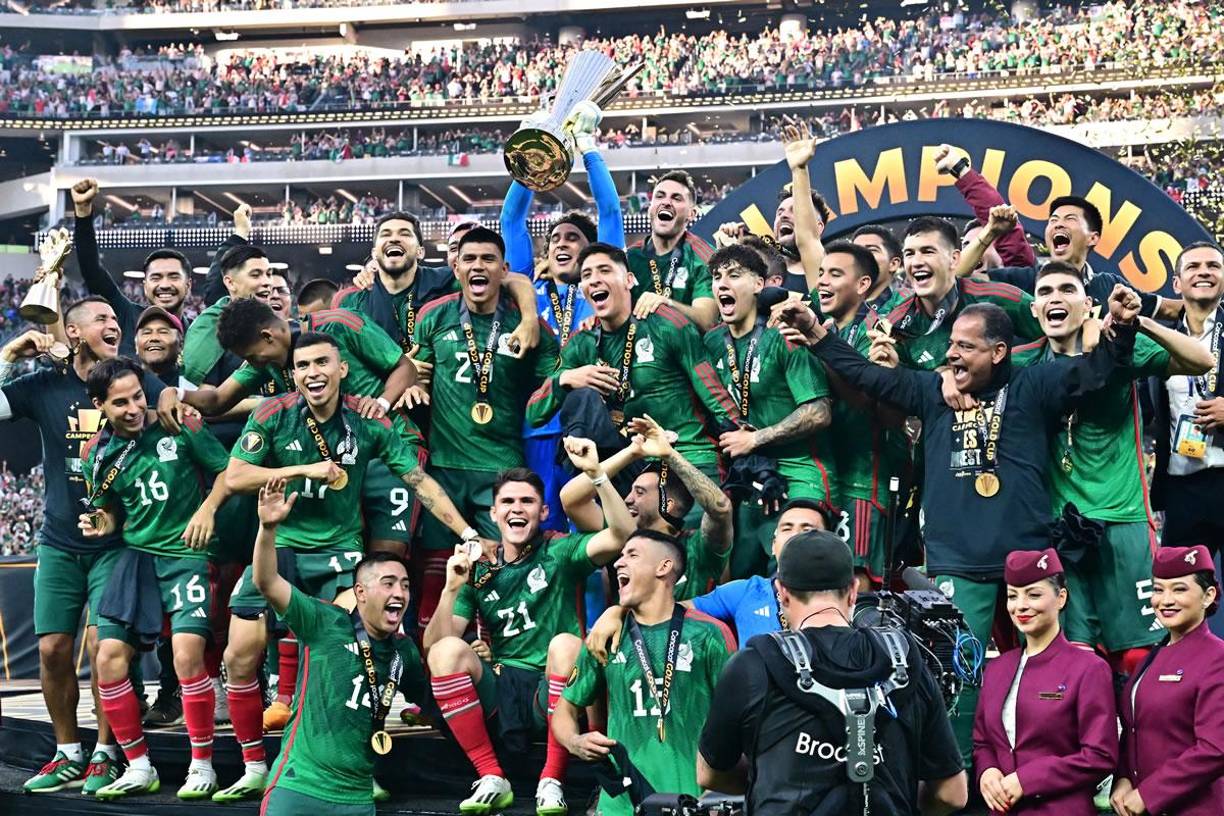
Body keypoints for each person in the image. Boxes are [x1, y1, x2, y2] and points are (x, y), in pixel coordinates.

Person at [773, 287, 1140, 764]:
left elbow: (1094, 374)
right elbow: (868, 377)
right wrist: (818, 334)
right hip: (957, 563)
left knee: (1052, 671)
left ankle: (1054, 770)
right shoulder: (931, 391)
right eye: (951, 344)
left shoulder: (1032, 386)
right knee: (957, 679)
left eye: (966, 345)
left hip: (1026, 561)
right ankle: (959, 777)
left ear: (999, 352)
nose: (952, 353)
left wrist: (1123, 328)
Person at [212, 332, 479, 803]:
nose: (312, 373)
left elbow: (417, 480)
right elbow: (235, 476)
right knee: (238, 654)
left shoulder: (369, 420)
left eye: (322, 363)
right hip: (280, 546)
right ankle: (254, 763)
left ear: (342, 370)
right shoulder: (273, 414)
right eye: (302, 366)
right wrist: (303, 471)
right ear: (292, 374)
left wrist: (467, 533)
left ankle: (358, 760)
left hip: (338, 549)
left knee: (351, 652)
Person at [0, 299, 172, 794]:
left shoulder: (134, 381)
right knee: (53, 649)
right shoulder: (42, 385)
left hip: (116, 542)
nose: (114, 324)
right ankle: (67, 750)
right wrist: (11, 354)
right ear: (72, 332)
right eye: (101, 319)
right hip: (58, 540)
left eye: (115, 320)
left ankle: (104, 752)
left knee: (103, 650)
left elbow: (177, 405)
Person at [1009, 261, 1213, 674]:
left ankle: (1143, 734)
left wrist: (1140, 323)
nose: (1055, 298)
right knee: (1072, 655)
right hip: (1062, 526)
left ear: (1087, 305)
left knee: (1139, 653)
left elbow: (1201, 360)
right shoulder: (1022, 363)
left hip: (1124, 519)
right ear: (1034, 309)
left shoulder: (1120, 346)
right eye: (1045, 292)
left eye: (1067, 290)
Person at [697, 531, 967, 815]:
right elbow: (952, 794)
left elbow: (710, 774)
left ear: (782, 593)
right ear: (853, 591)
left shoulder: (753, 664)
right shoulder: (903, 658)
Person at [421, 454, 633, 816]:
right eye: (507, 501)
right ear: (492, 513)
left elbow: (623, 536)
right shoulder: (478, 568)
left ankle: (552, 780)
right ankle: (490, 776)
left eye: (527, 502)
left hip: (553, 687)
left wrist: (597, 475)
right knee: (447, 652)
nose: (516, 509)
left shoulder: (561, 551)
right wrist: (451, 588)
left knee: (565, 644)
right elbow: (434, 648)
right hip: (502, 689)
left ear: (544, 511)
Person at [79, 358, 233, 800]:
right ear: (99, 405)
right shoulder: (98, 454)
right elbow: (110, 511)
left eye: (137, 397)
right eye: (120, 402)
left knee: (187, 656)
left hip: (185, 554)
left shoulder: (178, 422)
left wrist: (206, 510)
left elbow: (228, 471)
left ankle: (202, 765)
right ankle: (138, 766)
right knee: (107, 657)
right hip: (135, 557)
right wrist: (102, 523)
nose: (132, 408)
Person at [405, 226, 561, 630]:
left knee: (495, 571)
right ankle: (432, 673)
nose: (478, 266)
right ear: (456, 266)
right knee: (437, 579)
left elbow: (552, 384)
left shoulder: (528, 326)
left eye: (488, 259)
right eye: (469, 259)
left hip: (501, 468)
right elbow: (415, 372)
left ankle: (490, 660)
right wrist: (416, 386)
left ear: (503, 269)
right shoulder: (434, 316)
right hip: (444, 468)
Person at [249, 478, 429, 816]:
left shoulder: (403, 653)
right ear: (360, 593)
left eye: (405, 586)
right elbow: (267, 581)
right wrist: (268, 529)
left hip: (357, 801)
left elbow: (431, 701)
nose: (400, 593)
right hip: (297, 788)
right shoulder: (324, 622)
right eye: (388, 583)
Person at [527, 243, 739, 495]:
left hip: (687, 453)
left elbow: (713, 393)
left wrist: (745, 442)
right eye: (586, 275)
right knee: (579, 397)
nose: (594, 280)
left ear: (629, 280)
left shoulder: (666, 324)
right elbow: (534, 413)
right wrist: (567, 378)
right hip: (629, 463)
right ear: (582, 291)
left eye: (604, 271)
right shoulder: (581, 341)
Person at [552, 530, 735, 816]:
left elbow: (736, 723)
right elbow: (564, 711)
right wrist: (576, 742)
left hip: (693, 803)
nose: (617, 563)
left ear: (664, 567)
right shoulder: (605, 636)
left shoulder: (709, 635)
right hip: (620, 806)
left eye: (632, 555)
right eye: (621, 555)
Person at [703, 243, 836, 577]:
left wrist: (757, 438)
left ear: (759, 285)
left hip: (799, 473)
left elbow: (819, 411)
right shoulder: (711, 343)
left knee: (798, 572)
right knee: (741, 577)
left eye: (734, 276)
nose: (722, 284)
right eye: (717, 278)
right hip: (748, 476)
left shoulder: (784, 334)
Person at [583, 499, 830, 659]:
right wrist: (618, 611)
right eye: (787, 529)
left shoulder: (852, 604)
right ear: (773, 545)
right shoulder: (745, 592)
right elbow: (668, 611)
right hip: (763, 722)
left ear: (831, 545)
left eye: (808, 530)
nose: (796, 536)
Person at [972, 549, 1118, 815]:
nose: (1021, 606)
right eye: (1012, 596)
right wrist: (987, 772)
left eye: (1034, 594)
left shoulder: (1089, 668)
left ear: (1061, 598)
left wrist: (1027, 779)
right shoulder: (997, 668)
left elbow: (1100, 755)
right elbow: (983, 742)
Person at [812, 241, 908, 585]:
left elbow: (877, 409)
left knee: (855, 579)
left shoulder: (878, 331)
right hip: (828, 473)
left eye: (835, 274)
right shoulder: (828, 327)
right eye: (821, 273)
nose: (822, 282)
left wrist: (817, 343)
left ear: (863, 284)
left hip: (865, 478)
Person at [560, 414, 733, 601]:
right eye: (631, 491)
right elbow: (571, 500)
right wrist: (632, 453)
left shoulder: (698, 547)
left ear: (668, 505)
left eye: (640, 492)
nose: (627, 499)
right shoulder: (621, 533)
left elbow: (721, 508)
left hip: (689, 628)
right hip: (628, 629)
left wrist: (669, 455)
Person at [1112, 545, 1224, 816]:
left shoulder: (1217, 657)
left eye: (1180, 589)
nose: (1165, 600)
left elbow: (1215, 748)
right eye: (1158, 589)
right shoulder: (1151, 658)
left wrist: (1149, 794)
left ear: (1208, 596)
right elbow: (1134, 730)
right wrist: (1123, 778)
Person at [881, 216, 1042, 370]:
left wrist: (996, 368)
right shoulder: (896, 323)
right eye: (909, 254)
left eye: (928, 251)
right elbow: (900, 383)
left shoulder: (1001, 298)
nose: (916, 262)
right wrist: (938, 378)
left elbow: (1060, 337)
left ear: (954, 259)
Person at [1149, 241, 1224, 553]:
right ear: (1177, 283)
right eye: (1193, 267)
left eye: (1213, 266)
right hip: (1181, 487)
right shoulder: (1159, 340)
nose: (1203, 272)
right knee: (1182, 589)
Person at [71, 178, 194, 353]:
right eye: (156, 277)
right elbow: (92, 271)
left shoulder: (198, 335)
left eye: (174, 277)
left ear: (188, 284)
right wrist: (83, 212)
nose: (165, 285)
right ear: (145, 286)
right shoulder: (126, 315)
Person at [626, 171, 717, 330]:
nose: (666, 202)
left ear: (691, 213)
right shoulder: (629, 257)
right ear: (650, 207)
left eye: (676, 198)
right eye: (660, 196)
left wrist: (666, 304)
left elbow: (707, 320)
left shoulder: (705, 257)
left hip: (688, 352)